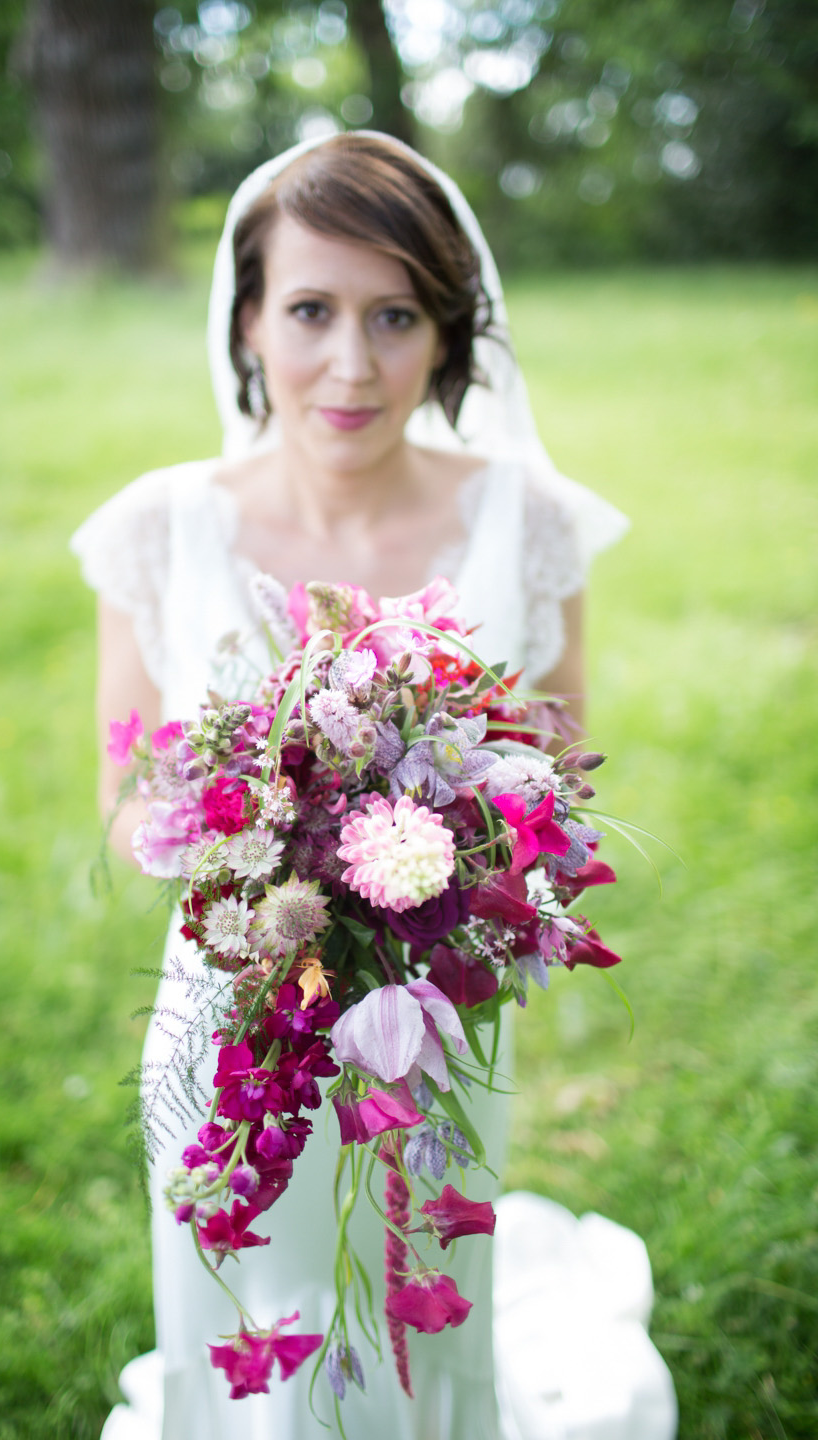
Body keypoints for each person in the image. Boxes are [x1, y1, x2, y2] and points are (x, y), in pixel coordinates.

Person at [71, 133, 662, 1440]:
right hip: (236, 1018)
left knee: (419, 1287)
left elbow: (556, 772)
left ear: (450, 338)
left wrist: (450, 867)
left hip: (435, 1020)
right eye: (311, 311)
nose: (351, 364)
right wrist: (270, 869)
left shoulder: (529, 520)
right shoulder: (158, 529)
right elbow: (127, 800)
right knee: (258, 1308)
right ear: (246, 321)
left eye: (396, 316)